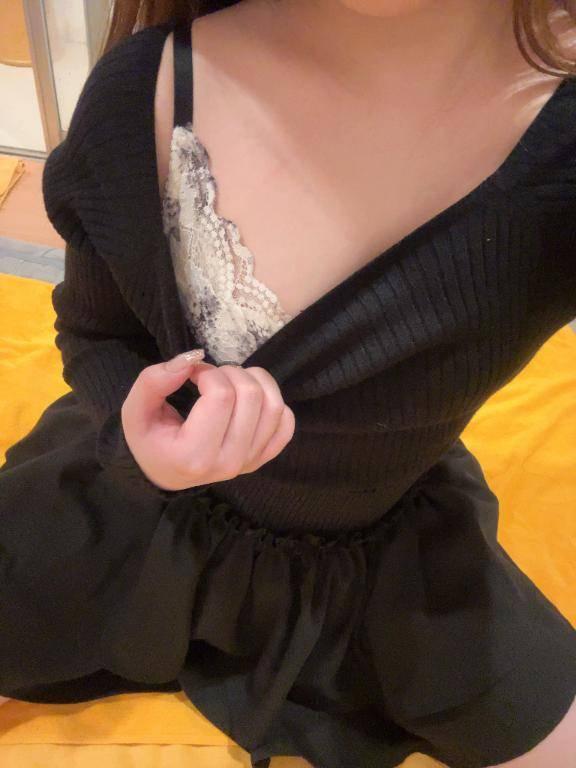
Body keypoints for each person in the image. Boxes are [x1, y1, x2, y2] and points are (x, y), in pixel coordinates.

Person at [0, 1, 575, 766]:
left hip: (389, 580)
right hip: (126, 511)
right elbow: (94, 330)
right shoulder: (149, 83)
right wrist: (137, 437)